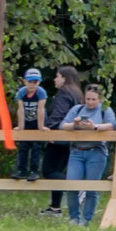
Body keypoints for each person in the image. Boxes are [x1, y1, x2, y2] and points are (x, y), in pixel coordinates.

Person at [61, 83, 116, 227]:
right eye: (88, 99)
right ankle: (74, 218)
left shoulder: (105, 110)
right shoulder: (77, 109)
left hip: (96, 151)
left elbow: (112, 125)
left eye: (93, 99)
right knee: (72, 185)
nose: (90, 102)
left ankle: (87, 220)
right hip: (77, 151)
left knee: (92, 187)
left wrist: (94, 127)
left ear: (99, 99)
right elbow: (63, 125)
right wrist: (74, 125)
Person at [45, 66, 83, 216]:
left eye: (57, 76)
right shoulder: (77, 93)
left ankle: (78, 187)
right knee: (57, 171)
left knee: (48, 171)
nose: (55, 79)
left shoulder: (64, 92)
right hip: (71, 138)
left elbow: (58, 113)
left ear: (64, 78)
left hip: (59, 137)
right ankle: (55, 207)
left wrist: (50, 130)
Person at [13, 68, 51, 185]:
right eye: (30, 82)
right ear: (25, 81)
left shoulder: (41, 93)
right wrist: (21, 127)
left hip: (37, 121)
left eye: (35, 82)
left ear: (38, 82)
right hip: (26, 121)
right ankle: (21, 170)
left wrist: (41, 127)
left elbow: (41, 109)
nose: (32, 85)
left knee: (36, 148)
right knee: (23, 147)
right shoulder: (21, 93)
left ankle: (34, 171)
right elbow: (20, 110)